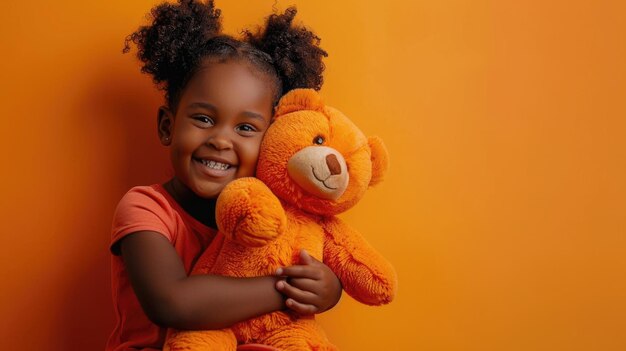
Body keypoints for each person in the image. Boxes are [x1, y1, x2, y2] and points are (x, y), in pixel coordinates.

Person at [106, 1, 342, 350]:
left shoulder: (272, 220)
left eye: (246, 127)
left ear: (270, 140)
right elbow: (172, 302)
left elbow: (323, 256)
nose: (220, 140)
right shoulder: (145, 208)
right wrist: (286, 289)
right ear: (167, 126)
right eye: (203, 119)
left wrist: (327, 288)